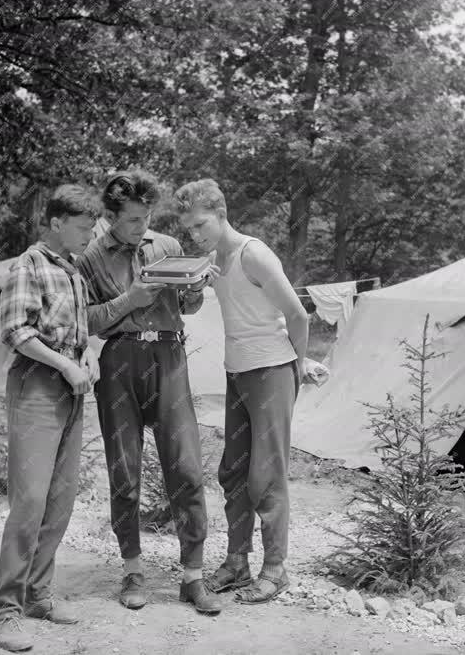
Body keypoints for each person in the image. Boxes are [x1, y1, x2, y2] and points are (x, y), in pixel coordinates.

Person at [175, 178, 329, 604]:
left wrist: (297, 367)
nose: (196, 234)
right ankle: (237, 562)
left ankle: (276, 569)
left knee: (266, 473)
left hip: (272, 372)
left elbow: (298, 316)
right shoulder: (212, 260)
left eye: (201, 224)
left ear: (221, 213)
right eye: (190, 229)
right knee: (233, 471)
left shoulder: (253, 253)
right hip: (237, 373)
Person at [75, 169, 222, 615]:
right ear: (112, 217)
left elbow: (185, 307)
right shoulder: (91, 256)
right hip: (119, 361)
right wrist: (130, 301)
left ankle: (192, 577)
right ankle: (132, 570)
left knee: (188, 468)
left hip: (169, 358)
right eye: (134, 220)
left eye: (147, 218)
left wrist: (195, 290)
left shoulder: (169, 247)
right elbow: (88, 321)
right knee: (125, 470)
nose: (143, 228)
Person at [0, 185, 101, 652]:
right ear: (56, 223)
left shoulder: (73, 270)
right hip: (37, 387)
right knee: (30, 502)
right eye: (82, 227)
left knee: (60, 500)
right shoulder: (28, 265)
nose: (89, 234)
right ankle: (6, 611)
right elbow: (16, 330)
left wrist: (87, 358)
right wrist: (65, 365)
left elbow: (80, 331)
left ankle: (38, 594)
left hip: (70, 390)